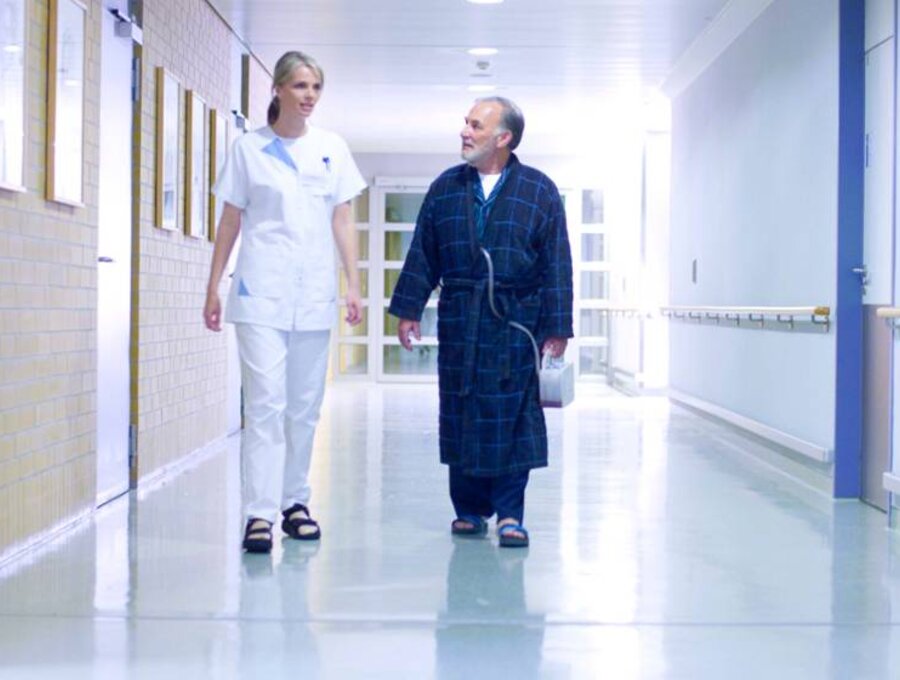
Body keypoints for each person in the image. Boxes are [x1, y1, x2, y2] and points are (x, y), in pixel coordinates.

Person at [388, 97, 573, 548]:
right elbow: (423, 253)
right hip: (461, 320)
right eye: (466, 123)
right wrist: (410, 308)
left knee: (513, 415)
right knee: (461, 409)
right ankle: (468, 510)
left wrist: (558, 325)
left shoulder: (539, 190)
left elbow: (557, 262)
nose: (464, 132)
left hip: (517, 323)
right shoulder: (446, 188)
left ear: (503, 137)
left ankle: (511, 514)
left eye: (475, 125)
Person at [204, 51, 366, 553]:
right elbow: (231, 221)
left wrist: (353, 284)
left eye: (316, 86)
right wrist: (213, 285)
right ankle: (258, 514)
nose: (309, 96)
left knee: (304, 408)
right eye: (299, 86)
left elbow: (342, 220)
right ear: (276, 89)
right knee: (267, 405)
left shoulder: (332, 148)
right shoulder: (249, 149)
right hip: (259, 294)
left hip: (315, 295)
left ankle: (295, 503)